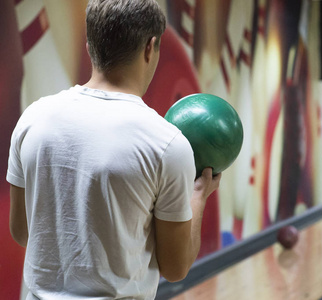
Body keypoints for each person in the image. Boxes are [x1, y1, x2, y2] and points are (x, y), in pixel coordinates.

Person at [7, 0, 221, 299]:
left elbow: (21, 231)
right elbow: (175, 268)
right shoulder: (167, 144)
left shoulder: (32, 118)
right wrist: (198, 195)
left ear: (90, 45)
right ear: (150, 47)